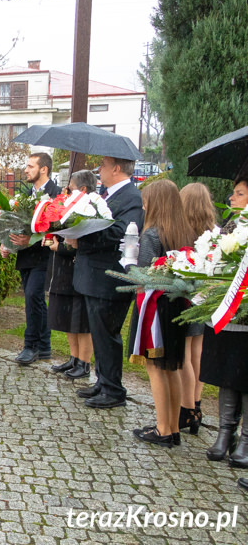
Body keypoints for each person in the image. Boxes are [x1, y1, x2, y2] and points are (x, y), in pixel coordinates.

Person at [65, 156, 144, 409]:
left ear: (117, 168)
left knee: (107, 334)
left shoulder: (130, 196)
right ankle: (103, 382)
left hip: (107, 277)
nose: (99, 170)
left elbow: (120, 231)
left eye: (103, 165)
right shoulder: (108, 195)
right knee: (99, 333)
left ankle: (113, 390)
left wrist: (82, 239)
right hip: (94, 276)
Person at [127, 180, 193, 447]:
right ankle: (174, 427)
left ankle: (162, 428)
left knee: (156, 367)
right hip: (177, 305)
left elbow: (142, 275)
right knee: (172, 367)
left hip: (155, 307)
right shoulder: (184, 232)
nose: (143, 205)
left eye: (147, 200)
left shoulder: (152, 234)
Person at [202, 174, 248, 465]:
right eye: (233, 193)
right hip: (227, 308)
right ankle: (225, 432)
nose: (232, 198)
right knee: (227, 371)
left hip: (246, 313)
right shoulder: (230, 226)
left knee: (246, 374)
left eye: (240, 194)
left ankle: (245, 440)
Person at [0, 153, 62, 365]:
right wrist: (8, 243)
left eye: (30, 166)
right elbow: (17, 223)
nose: (25, 170)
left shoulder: (56, 194)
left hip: (44, 255)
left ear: (43, 169)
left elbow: (57, 228)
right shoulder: (25, 194)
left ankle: (31, 345)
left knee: (32, 296)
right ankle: (44, 345)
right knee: (35, 300)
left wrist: (32, 240)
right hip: (26, 256)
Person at [47, 170, 96, 380]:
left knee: (81, 320)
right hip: (64, 270)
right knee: (68, 317)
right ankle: (73, 358)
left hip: (79, 270)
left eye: (72, 188)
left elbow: (79, 245)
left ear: (83, 190)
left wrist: (60, 247)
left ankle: (84, 362)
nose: (68, 191)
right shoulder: (68, 206)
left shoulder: (91, 210)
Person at [178, 182, 216, 435]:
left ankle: (187, 408)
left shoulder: (183, 232)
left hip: (189, 296)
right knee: (197, 352)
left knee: (184, 355)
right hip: (207, 296)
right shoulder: (214, 232)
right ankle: (197, 403)